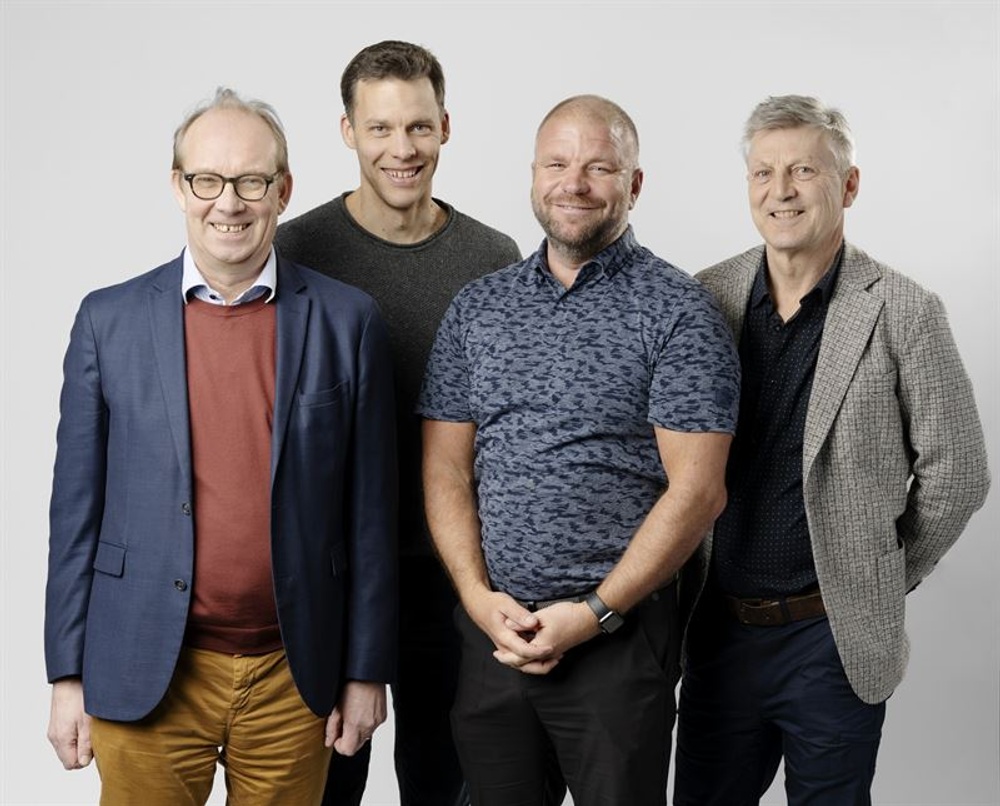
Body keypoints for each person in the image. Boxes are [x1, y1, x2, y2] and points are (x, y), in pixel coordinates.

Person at [44, 87, 398, 805]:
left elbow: (372, 517)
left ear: (283, 190)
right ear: (178, 186)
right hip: (147, 664)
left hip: (292, 672)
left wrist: (366, 673)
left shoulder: (347, 321)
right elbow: (74, 517)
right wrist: (66, 676)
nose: (228, 203)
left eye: (251, 181)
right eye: (207, 179)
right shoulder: (106, 321)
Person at [417, 94, 740, 806]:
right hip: (493, 636)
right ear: (533, 175)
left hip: (618, 647)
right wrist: (476, 597)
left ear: (635, 184)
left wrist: (594, 611)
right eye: (558, 164)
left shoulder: (679, 311)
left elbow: (699, 492)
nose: (576, 183)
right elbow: (444, 467)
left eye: (600, 167)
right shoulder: (478, 306)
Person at [673, 94, 990, 806]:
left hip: (832, 640)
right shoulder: (704, 298)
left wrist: (877, 570)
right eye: (763, 173)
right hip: (718, 631)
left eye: (804, 171)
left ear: (848, 185)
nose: (780, 191)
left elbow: (960, 473)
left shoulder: (904, 310)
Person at [275, 40, 540, 806]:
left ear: (447, 128)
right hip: (329, 577)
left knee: (445, 783)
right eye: (382, 128)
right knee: (327, 786)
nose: (402, 149)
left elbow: (511, 424)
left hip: (452, 576)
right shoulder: (298, 251)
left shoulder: (493, 257)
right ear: (348, 131)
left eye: (419, 128)